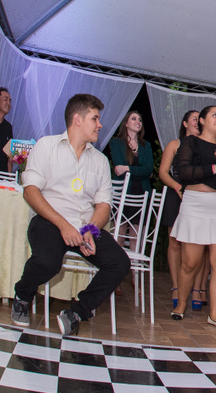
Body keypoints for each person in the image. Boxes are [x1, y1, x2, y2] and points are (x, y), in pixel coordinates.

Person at [10, 94, 130, 336]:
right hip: (49, 221)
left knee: (120, 263)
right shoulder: (47, 145)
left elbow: (104, 205)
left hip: (86, 227)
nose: (100, 124)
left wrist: (90, 230)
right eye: (95, 118)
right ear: (77, 119)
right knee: (47, 261)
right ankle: (23, 295)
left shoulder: (100, 161)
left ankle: (76, 312)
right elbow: (30, 191)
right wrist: (63, 225)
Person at [170, 105, 216, 328]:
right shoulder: (190, 143)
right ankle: (181, 305)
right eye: (214, 115)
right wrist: (215, 169)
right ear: (201, 120)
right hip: (195, 206)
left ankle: (215, 315)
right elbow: (182, 172)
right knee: (190, 263)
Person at [157, 110, 202, 309]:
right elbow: (163, 172)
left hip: (197, 197)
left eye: (200, 119)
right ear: (185, 123)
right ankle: (176, 286)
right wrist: (177, 187)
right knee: (174, 243)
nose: (198, 122)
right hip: (176, 195)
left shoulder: (204, 147)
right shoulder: (174, 145)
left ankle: (194, 289)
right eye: (195, 119)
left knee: (196, 245)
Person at [108, 110, 153, 197]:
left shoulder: (146, 145)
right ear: (126, 124)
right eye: (133, 119)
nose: (138, 122)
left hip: (143, 194)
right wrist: (142, 173)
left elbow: (148, 170)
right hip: (122, 193)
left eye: (140, 120)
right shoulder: (116, 143)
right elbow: (119, 170)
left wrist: (127, 168)